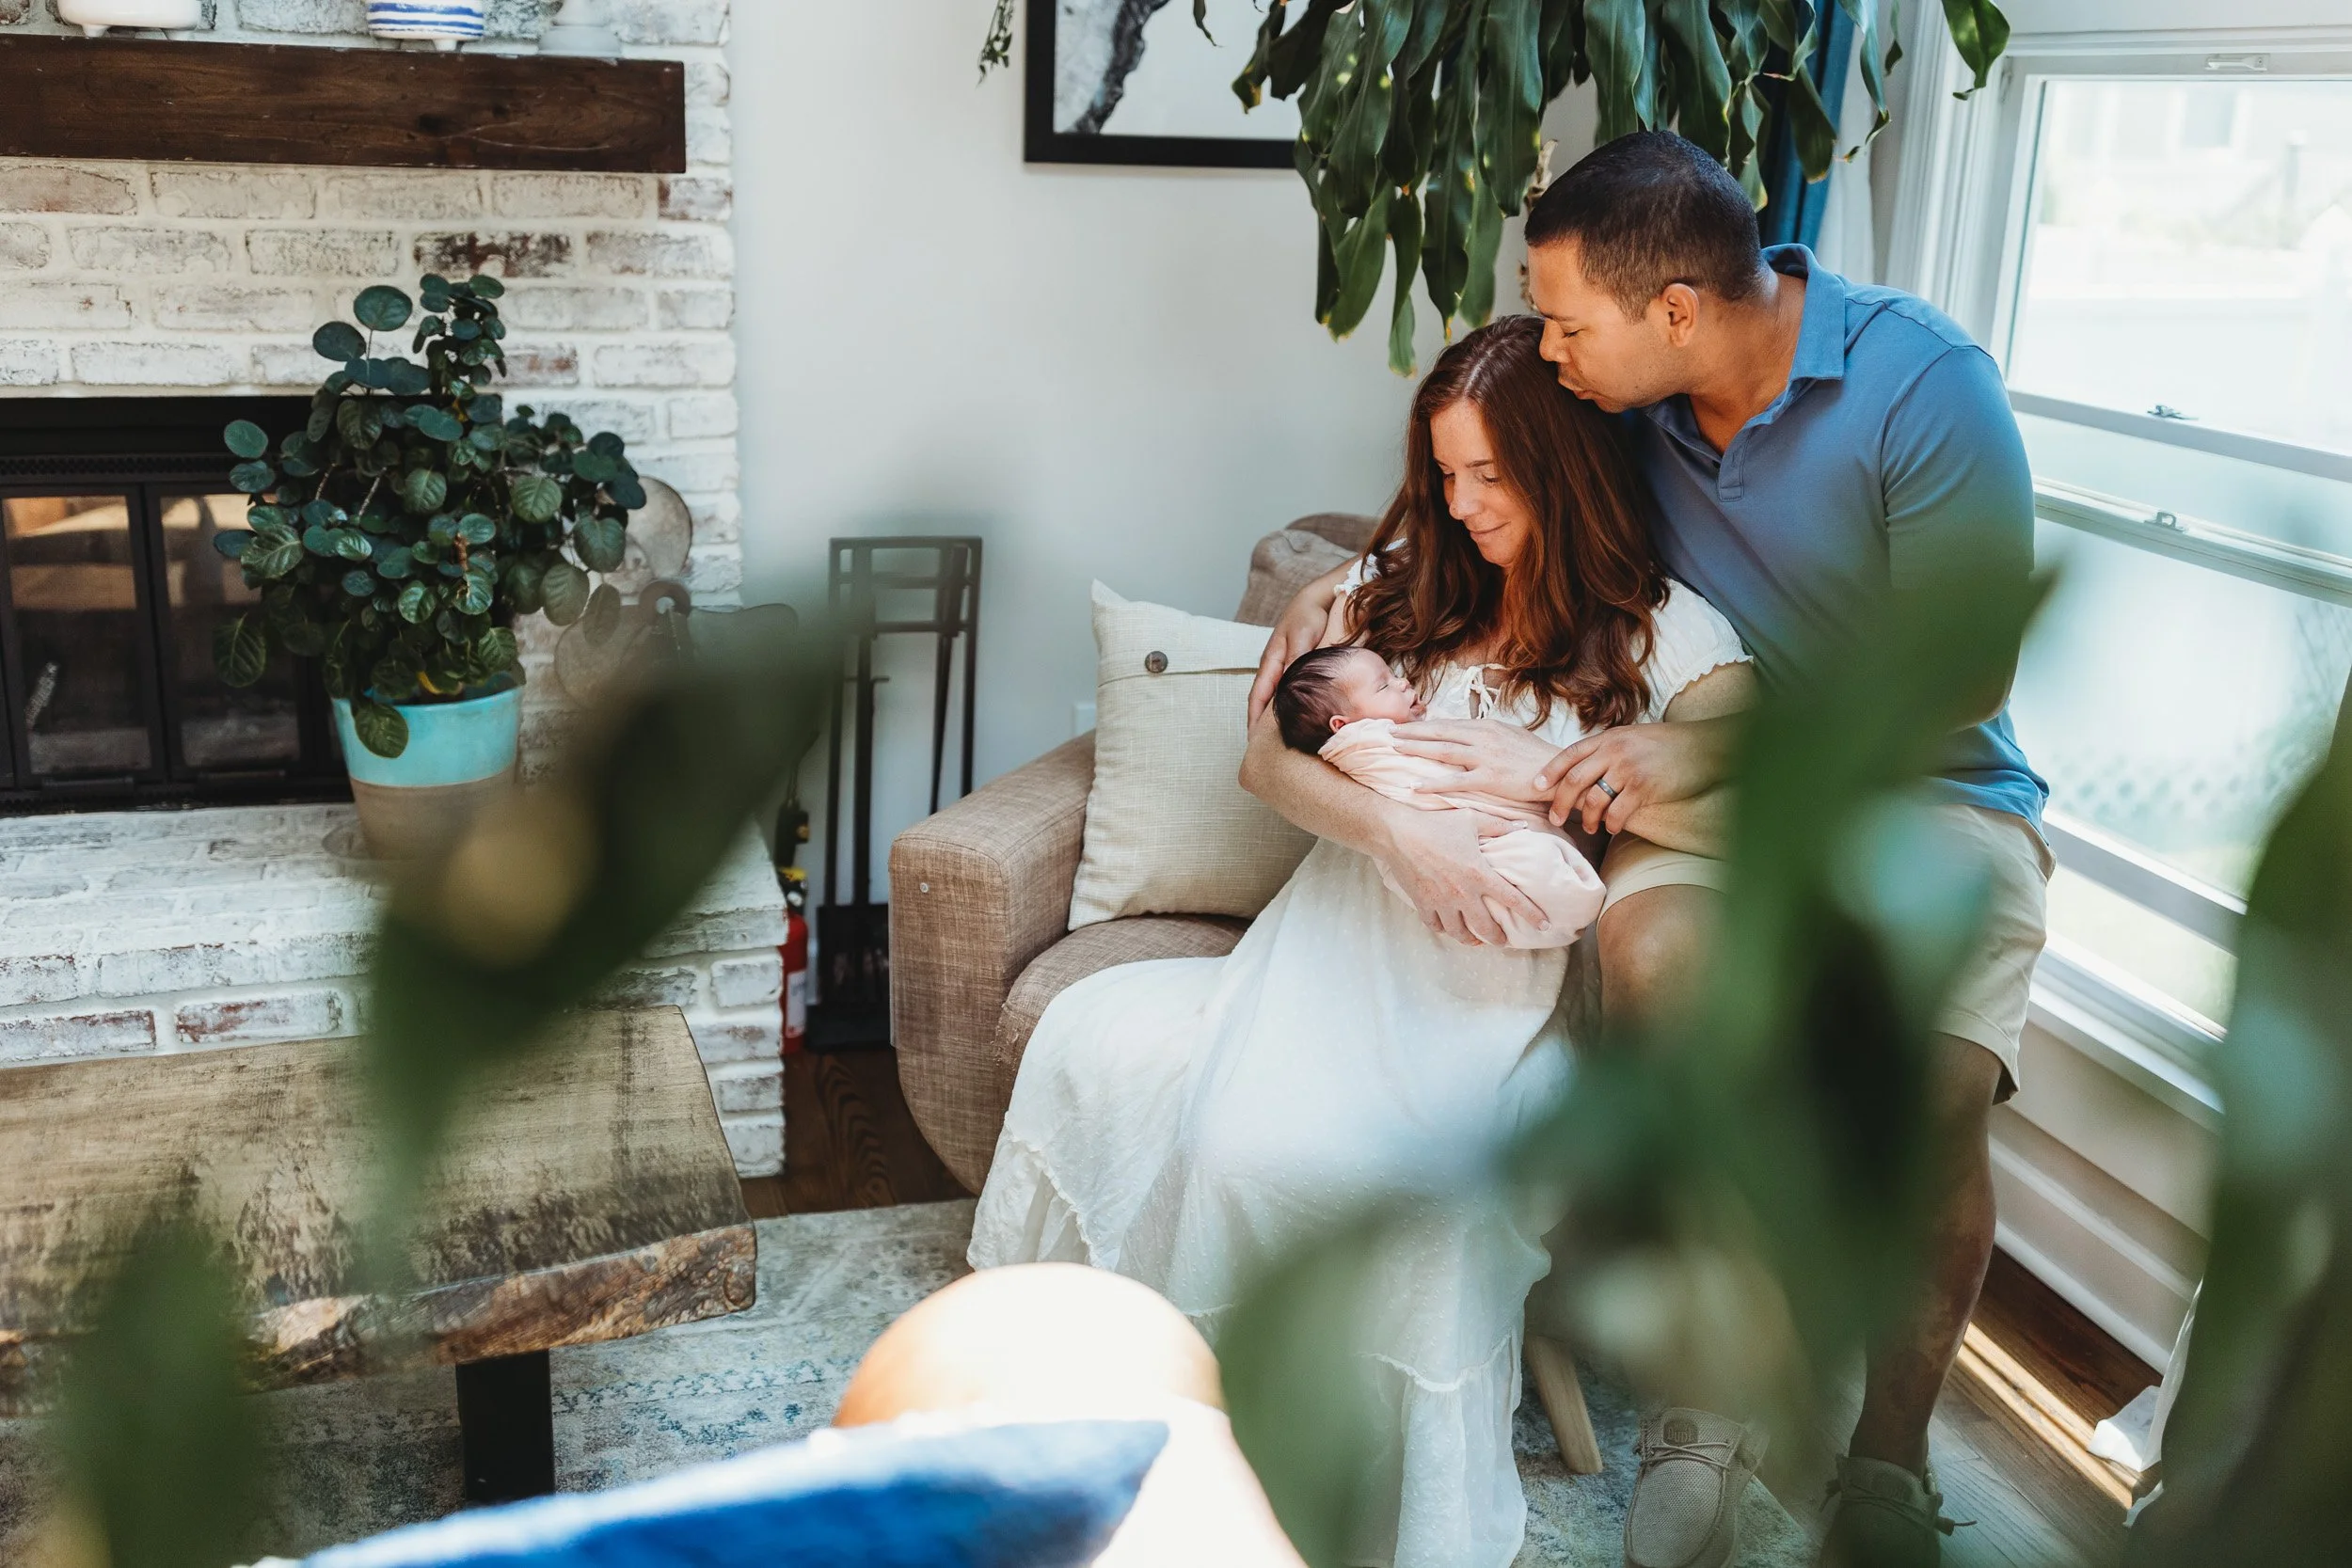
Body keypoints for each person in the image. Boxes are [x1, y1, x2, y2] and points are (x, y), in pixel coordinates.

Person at [1247, 132, 2049, 1568]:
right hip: (1699, 795)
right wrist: (1341, 573)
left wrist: (1712, 746)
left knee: (1932, 1095)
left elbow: (1967, 670)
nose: (1551, 347)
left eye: (1566, 319)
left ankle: (1888, 1455)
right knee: (1660, 947)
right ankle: (1704, 1396)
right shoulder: (1624, 400)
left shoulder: (1928, 388)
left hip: (1929, 791)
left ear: (1676, 310)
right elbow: (1486, 487)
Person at [971, 313, 1755, 1568]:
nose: (1462, 500)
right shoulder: (1397, 585)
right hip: (1337, 935)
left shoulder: (1670, 634)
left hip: (1496, 978)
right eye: (1444, 471)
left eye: (1492, 474)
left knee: (1418, 1189)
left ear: (1568, 469)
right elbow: (1266, 758)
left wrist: (1548, 776)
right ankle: (1207, 1451)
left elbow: (1752, 777)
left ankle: (1392, 1505)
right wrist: (1398, 836)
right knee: (1229, 1139)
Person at [1273, 644, 1604, 949]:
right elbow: (1421, 788)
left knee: (1532, 869)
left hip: (1476, 832)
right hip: (1432, 847)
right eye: (1384, 686)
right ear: (1342, 725)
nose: (1402, 683)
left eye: (1393, 675)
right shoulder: (1366, 747)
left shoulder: (1392, 733)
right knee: (1531, 870)